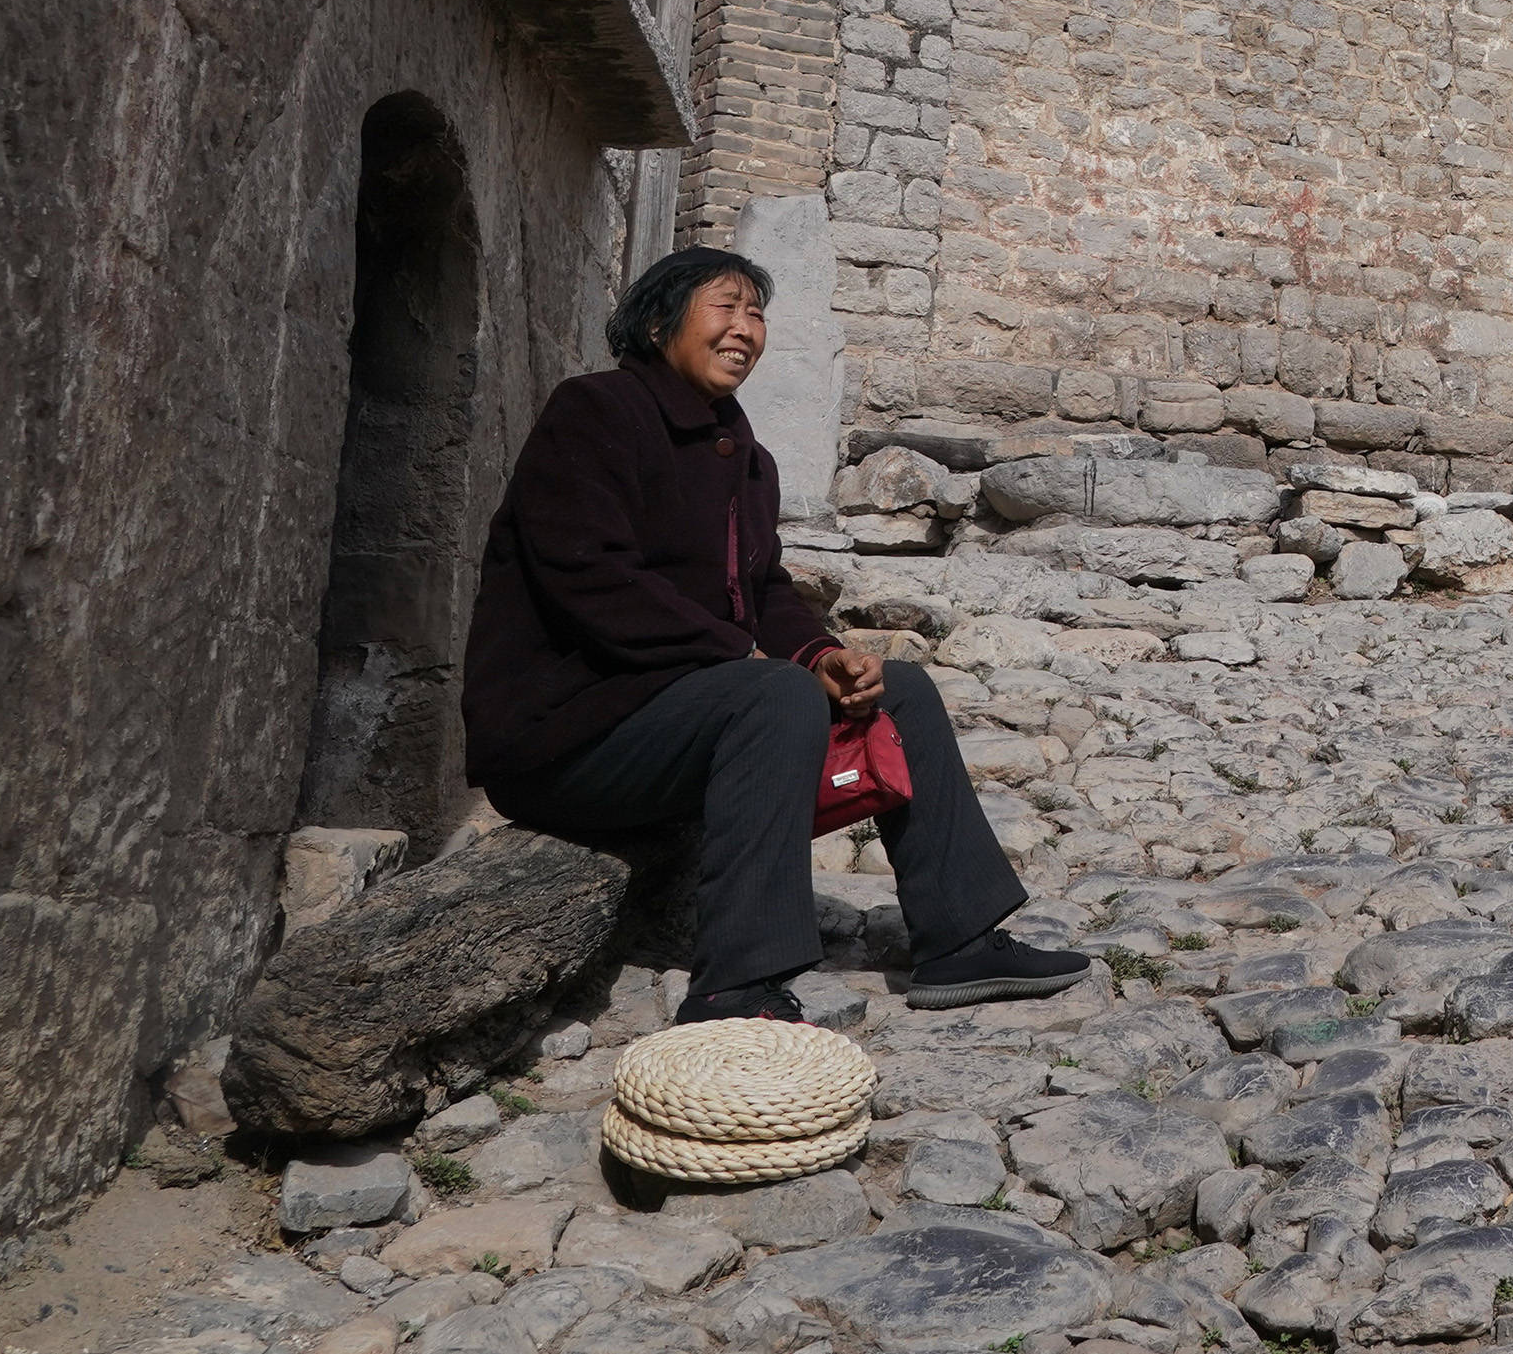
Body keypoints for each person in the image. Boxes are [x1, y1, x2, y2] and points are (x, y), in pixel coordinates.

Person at [462, 246, 1089, 1023]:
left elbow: (762, 591)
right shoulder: (595, 411)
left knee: (899, 689)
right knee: (773, 693)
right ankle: (736, 984)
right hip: (570, 735)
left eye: (755, 314)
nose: (745, 330)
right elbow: (589, 576)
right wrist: (749, 657)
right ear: (659, 322)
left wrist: (824, 656)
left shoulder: (744, 457)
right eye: (724, 308)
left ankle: (960, 938)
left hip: (681, 720)